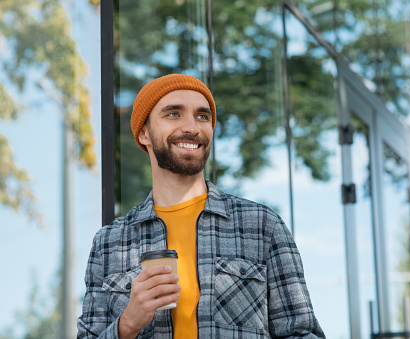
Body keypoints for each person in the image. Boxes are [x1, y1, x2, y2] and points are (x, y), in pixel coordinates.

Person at [77, 74, 325, 338]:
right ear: (144, 133)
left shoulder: (262, 225)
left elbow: (301, 333)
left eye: (202, 116)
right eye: (173, 114)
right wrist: (128, 323)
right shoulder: (110, 243)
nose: (192, 127)